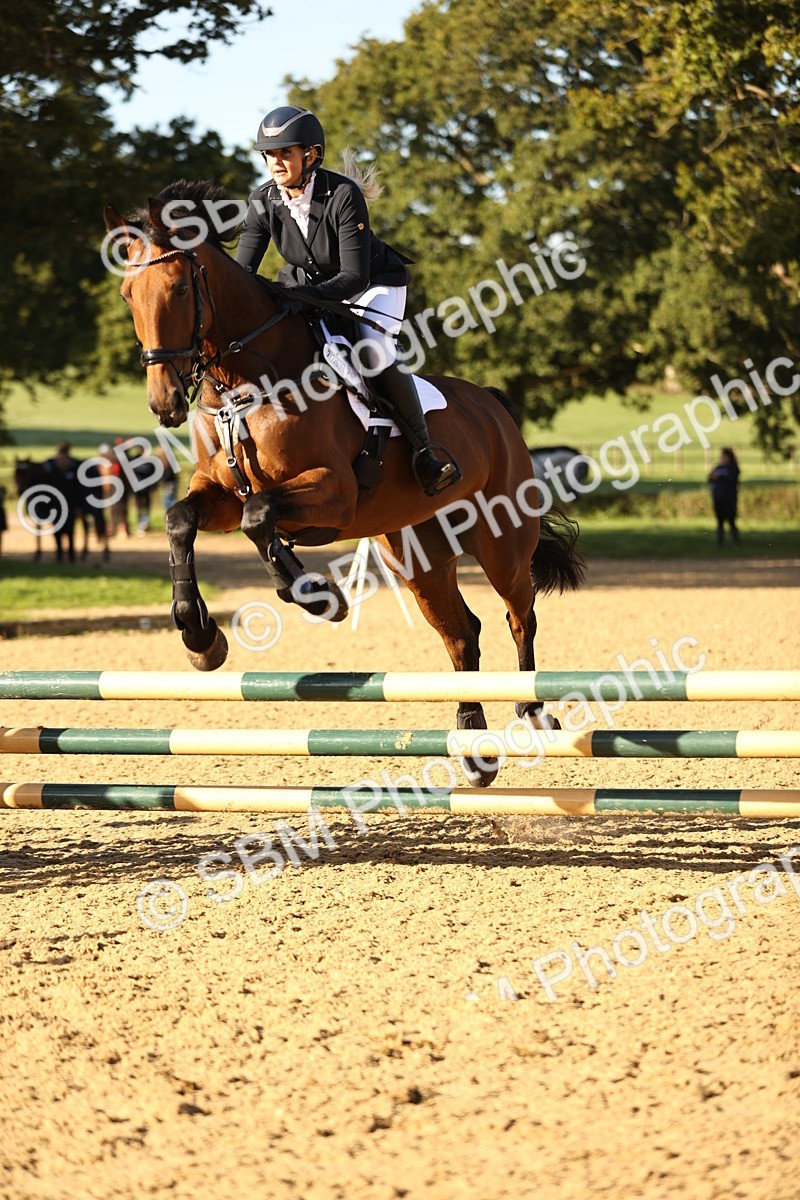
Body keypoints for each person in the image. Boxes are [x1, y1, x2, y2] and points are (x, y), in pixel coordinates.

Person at [235, 105, 460, 496]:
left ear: (312, 155)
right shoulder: (263, 199)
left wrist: (301, 296)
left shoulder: (342, 194)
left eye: (285, 152)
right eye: (270, 154)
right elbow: (242, 274)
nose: (276, 162)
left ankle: (426, 450)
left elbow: (353, 276)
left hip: (372, 286)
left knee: (372, 351)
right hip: (313, 289)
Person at [708, 448, 740, 546]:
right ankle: (720, 544)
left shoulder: (733, 468)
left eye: (724, 456)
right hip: (718, 498)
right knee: (720, 522)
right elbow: (710, 479)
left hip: (729, 499)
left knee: (731, 521)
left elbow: (732, 479)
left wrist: (720, 477)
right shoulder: (718, 468)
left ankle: (736, 542)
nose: (722, 458)